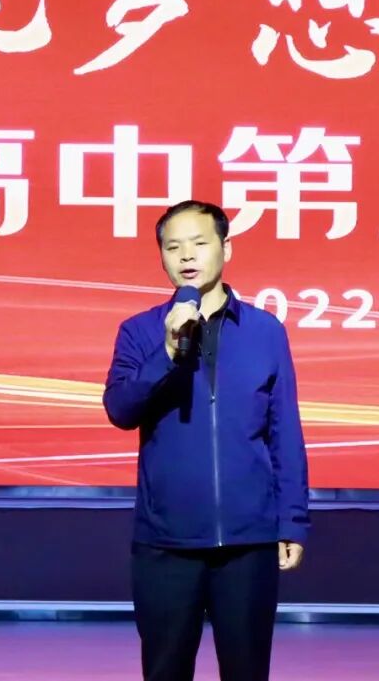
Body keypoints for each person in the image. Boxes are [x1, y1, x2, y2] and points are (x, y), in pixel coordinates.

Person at [103, 200, 310, 681]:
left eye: (199, 243)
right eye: (172, 246)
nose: (186, 255)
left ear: (226, 248)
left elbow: (284, 430)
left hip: (249, 539)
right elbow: (120, 410)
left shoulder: (265, 331)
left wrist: (292, 520)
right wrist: (167, 352)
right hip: (166, 540)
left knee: (247, 671)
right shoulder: (139, 332)